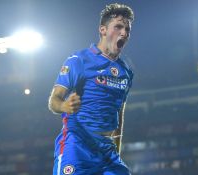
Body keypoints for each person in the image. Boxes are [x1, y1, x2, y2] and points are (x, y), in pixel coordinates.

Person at [48, 3, 134, 175]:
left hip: (106, 149)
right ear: (102, 30)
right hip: (77, 144)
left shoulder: (126, 71)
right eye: (118, 27)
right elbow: (54, 101)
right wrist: (65, 106)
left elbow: (119, 112)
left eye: (127, 29)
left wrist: (116, 146)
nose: (124, 33)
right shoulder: (79, 60)